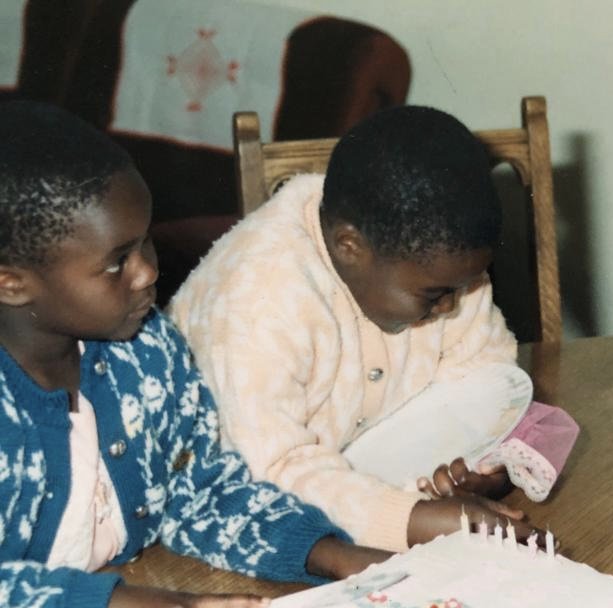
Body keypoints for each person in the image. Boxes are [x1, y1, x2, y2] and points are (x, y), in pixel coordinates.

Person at [0, 101, 390, 608]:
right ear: (12, 282)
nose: (147, 273)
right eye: (116, 263)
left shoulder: (145, 350)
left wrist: (322, 551)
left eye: (145, 244)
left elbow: (201, 492)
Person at [169, 105, 554, 554]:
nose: (452, 306)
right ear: (349, 246)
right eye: (433, 295)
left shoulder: (431, 266)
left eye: (463, 287)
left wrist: (489, 466)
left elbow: (487, 375)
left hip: (360, 480)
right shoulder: (256, 301)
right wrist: (411, 520)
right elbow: (268, 475)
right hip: (238, 518)